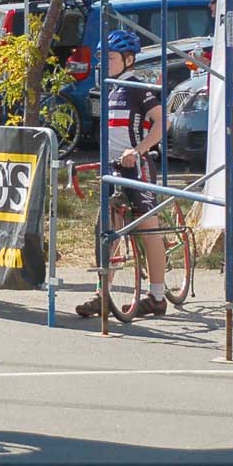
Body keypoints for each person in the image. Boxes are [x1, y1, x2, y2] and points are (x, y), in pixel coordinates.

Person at [76, 30, 169, 320]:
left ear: (128, 60)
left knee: (147, 228)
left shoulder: (137, 88)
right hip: (113, 168)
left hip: (136, 166)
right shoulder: (110, 89)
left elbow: (161, 122)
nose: (104, 62)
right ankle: (102, 294)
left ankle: (157, 295)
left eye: (111, 58)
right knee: (107, 229)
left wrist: (139, 150)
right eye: (102, 57)